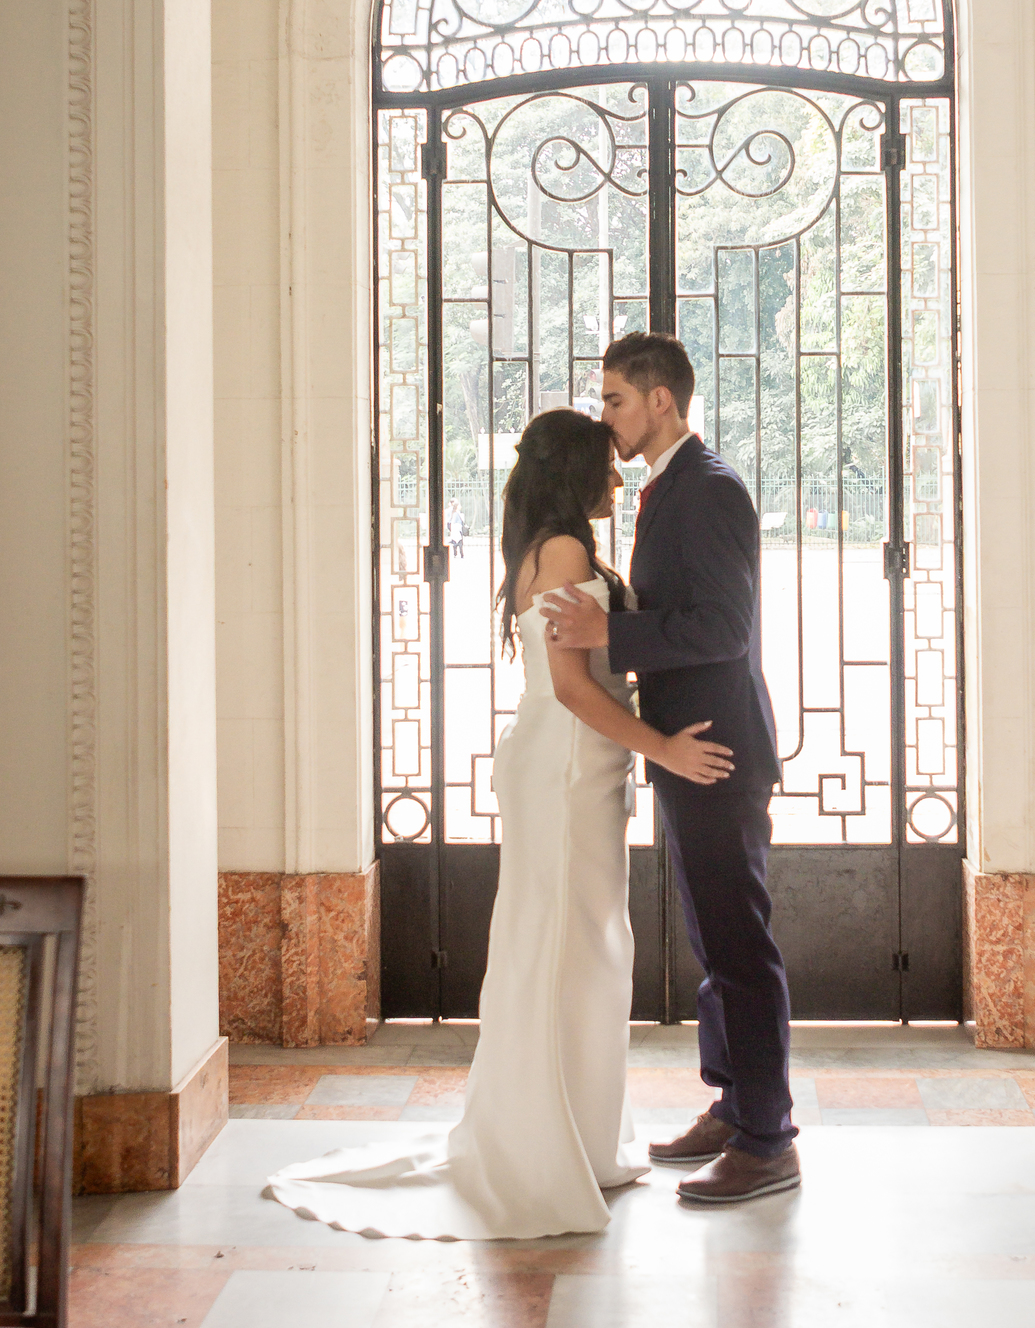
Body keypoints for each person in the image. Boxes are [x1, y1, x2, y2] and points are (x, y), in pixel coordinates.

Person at [265, 408, 732, 1240]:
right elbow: (574, 688)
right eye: (604, 465)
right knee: (562, 951)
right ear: (574, 472)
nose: (616, 477)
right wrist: (663, 747)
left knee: (582, 949)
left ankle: (573, 1139)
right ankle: (542, 1152)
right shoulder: (562, 552)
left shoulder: (555, 546)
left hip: (577, 766)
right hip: (564, 769)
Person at [541, 332, 799, 1205]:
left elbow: (725, 628)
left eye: (614, 398)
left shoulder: (710, 487)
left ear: (661, 400)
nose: (605, 415)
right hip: (685, 750)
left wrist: (609, 632)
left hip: (716, 752)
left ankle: (768, 1140)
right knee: (712, 939)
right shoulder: (669, 487)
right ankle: (733, 1105)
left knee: (738, 944)